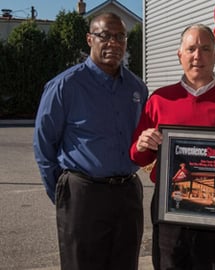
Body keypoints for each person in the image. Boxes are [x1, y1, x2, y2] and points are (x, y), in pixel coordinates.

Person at [130, 24, 215, 269]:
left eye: (205, 49)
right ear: (180, 55)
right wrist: (143, 143)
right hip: (171, 210)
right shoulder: (159, 99)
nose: (198, 55)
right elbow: (137, 157)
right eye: (191, 49)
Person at [33, 12, 148, 270]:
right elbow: (43, 144)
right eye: (104, 36)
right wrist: (65, 193)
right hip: (83, 195)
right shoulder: (65, 85)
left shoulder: (137, 88)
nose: (114, 43)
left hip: (127, 195)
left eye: (120, 37)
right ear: (89, 39)